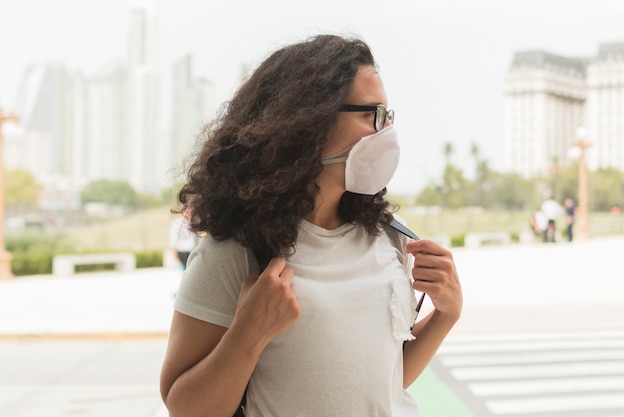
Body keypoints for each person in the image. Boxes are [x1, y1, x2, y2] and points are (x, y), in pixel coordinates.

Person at [160, 34, 463, 417]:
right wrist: (248, 334)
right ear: (311, 120)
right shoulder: (236, 251)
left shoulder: (390, 236)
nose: (386, 132)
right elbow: (184, 407)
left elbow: (385, 379)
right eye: (372, 115)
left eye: (389, 117)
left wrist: (445, 314)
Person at [168, 206, 197, 270]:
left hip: (192, 252)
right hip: (182, 253)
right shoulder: (176, 224)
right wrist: (175, 258)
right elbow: (173, 242)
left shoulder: (193, 223)